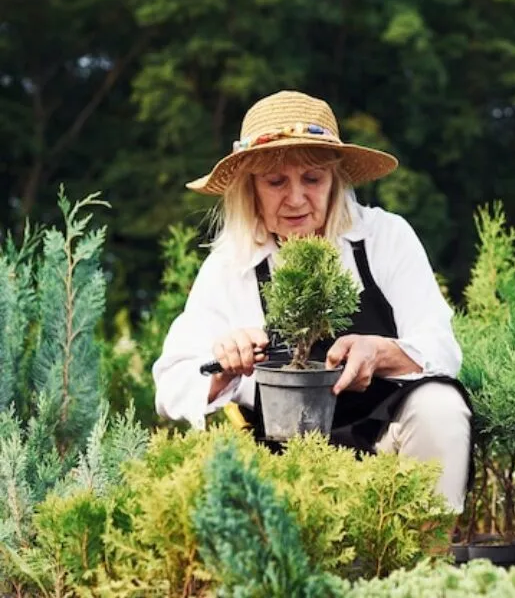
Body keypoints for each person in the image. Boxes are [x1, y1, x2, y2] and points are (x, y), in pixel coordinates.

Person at [153, 90, 472, 512]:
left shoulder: (384, 238)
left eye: (312, 179)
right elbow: (172, 384)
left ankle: (429, 565)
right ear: (251, 189)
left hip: (388, 438)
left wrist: (380, 352)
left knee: (441, 406)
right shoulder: (231, 265)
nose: (297, 198)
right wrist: (223, 365)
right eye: (276, 182)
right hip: (281, 462)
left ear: (335, 179)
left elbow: (441, 350)